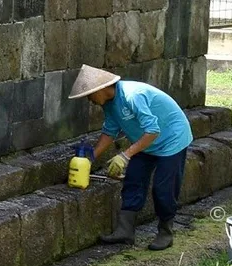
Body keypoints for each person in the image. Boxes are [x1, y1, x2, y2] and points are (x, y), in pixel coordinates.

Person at [68, 64, 193, 251]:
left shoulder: (132, 96)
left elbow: (153, 130)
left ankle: (165, 232)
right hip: (144, 142)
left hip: (171, 140)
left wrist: (125, 155)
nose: (89, 101)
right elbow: (109, 131)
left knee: (163, 188)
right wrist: (91, 158)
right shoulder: (109, 104)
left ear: (101, 89)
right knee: (133, 181)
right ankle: (125, 231)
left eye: (89, 95)